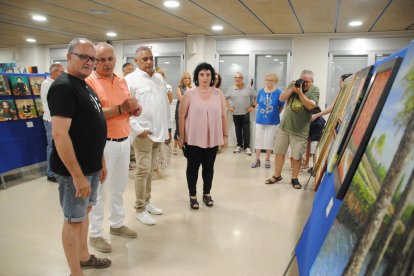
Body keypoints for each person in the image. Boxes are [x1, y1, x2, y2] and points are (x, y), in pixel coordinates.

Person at [48, 38, 111, 275]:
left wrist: (100, 162)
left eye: (91, 58)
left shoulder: (83, 84)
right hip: (74, 172)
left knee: (84, 214)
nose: (88, 62)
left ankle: (84, 257)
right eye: (82, 56)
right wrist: (77, 175)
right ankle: (76, 272)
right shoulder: (64, 86)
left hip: (91, 167)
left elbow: (93, 126)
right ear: (69, 57)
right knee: (74, 220)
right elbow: (59, 134)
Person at [86, 42, 141, 253]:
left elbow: (126, 106)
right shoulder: (89, 82)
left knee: (119, 187)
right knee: (99, 191)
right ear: (93, 61)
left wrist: (132, 110)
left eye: (110, 59)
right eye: (101, 60)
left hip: (124, 140)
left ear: (115, 60)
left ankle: (117, 224)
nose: (106, 63)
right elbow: (92, 115)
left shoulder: (121, 81)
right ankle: (96, 234)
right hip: (102, 143)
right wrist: (121, 108)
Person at [125, 46, 172, 225]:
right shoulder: (130, 80)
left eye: (151, 58)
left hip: (158, 133)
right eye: (144, 59)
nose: (149, 62)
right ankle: (139, 208)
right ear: (136, 61)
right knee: (143, 170)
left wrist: (167, 129)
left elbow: (164, 106)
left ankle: (147, 201)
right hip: (142, 133)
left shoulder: (159, 79)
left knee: (150, 171)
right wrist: (138, 130)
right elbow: (126, 110)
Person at [178, 62, 228, 209]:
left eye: (208, 75)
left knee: (209, 167)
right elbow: (182, 117)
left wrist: (225, 136)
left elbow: (223, 116)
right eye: (202, 74)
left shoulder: (218, 93)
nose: (205, 78)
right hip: (193, 138)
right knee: (192, 167)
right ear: (197, 76)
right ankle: (192, 196)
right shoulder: (189, 94)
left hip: (212, 138)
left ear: (212, 77)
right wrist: (181, 138)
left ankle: (207, 194)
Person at [265, 70, 319, 189]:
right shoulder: (294, 85)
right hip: (284, 127)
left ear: (312, 81)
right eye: (302, 81)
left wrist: (299, 93)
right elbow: (281, 98)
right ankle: (277, 175)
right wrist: (292, 88)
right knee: (279, 153)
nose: (304, 84)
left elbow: (311, 105)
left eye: (307, 82)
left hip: (300, 130)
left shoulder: (314, 90)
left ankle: (294, 178)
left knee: (296, 156)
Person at [251, 73, 284, 169]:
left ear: (275, 82)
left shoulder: (278, 92)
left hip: (272, 120)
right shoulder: (261, 91)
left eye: (270, 80)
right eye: (266, 80)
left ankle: (267, 159)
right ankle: (257, 159)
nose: (267, 82)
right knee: (258, 139)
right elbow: (257, 102)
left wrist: (276, 113)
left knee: (270, 140)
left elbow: (281, 105)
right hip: (260, 119)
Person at [40, 62, 64, 183]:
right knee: (51, 147)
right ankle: (50, 173)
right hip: (51, 120)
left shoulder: (56, 83)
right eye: (61, 71)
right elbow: (47, 104)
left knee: (58, 147)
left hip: (57, 119)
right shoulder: (46, 84)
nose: (63, 74)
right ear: (53, 72)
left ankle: (57, 171)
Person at [225, 72, 257, 155]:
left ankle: (247, 147)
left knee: (246, 130)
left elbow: (257, 96)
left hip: (246, 113)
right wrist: (229, 107)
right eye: (235, 77)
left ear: (242, 78)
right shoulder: (231, 88)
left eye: (239, 77)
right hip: (235, 113)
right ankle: (239, 145)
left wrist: (253, 106)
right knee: (238, 130)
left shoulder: (248, 88)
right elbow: (224, 98)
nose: (237, 79)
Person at [152, 66, 173, 179]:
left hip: (164, 122)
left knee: (162, 148)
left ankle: (157, 168)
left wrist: (168, 128)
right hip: (154, 126)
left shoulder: (166, 88)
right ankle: (153, 169)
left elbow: (168, 105)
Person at [173, 72, 192, 155]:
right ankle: (174, 147)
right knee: (178, 129)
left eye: (188, 78)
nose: (187, 80)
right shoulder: (179, 87)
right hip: (180, 110)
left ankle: (186, 146)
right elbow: (180, 98)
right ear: (182, 80)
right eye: (185, 78)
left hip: (189, 110)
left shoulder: (192, 88)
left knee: (187, 128)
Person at [308, 106, 325, 175]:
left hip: (314, 140)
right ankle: (315, 168)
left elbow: (309, 131)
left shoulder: (312, 122)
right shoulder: (322, 119)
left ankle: (314, 170)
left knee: (315, 155)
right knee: (317, 155)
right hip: (321, 139)